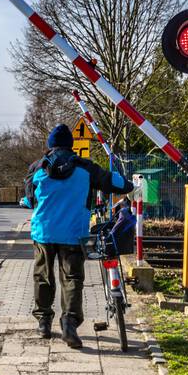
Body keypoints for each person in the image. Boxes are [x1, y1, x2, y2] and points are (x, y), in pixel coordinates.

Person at [23, 123, 132, 348]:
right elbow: (116, 183)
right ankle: (69, 325)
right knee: (72, 278)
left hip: (43, 232)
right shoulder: (85, 167)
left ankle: (44, 322)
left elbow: (29, 199)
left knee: (43, 276)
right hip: (74, 233)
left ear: (50, 145)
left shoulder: (37, 168)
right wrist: (129, 184)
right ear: (71, 145)